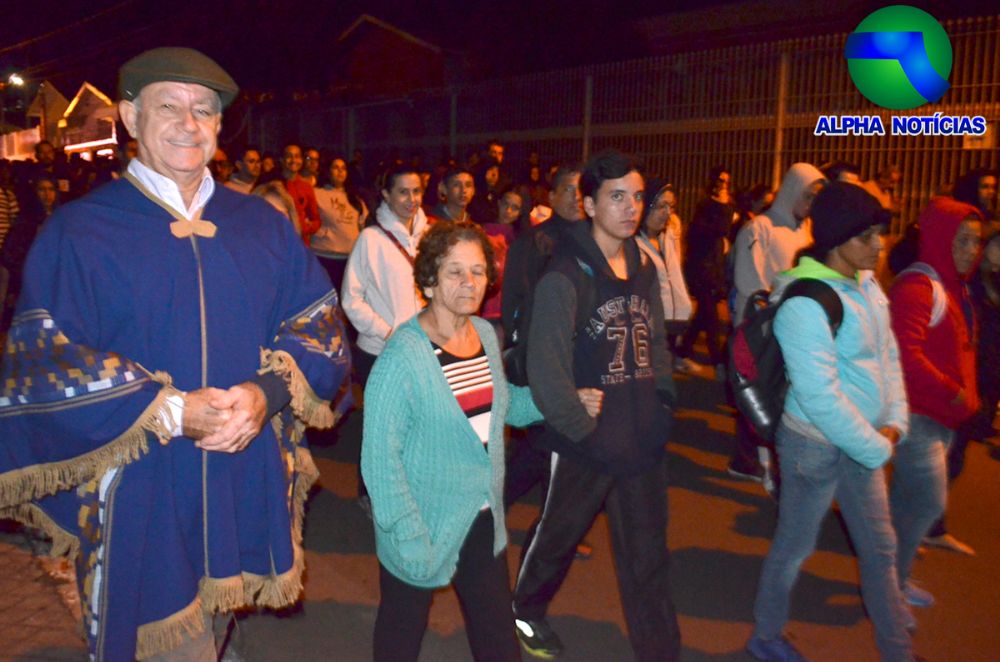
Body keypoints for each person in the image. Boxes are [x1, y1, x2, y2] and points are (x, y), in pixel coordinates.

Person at [0, 47, 351, 660]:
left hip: (242, 463)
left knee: (220, 627)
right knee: (166, 642)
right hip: (140, 479)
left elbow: (320, 327)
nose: (189, 123)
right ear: (130, 118)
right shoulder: (78, 231)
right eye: (169, 106)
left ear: (219, 125)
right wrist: (168, 409)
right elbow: (43, 361)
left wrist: (264, 394)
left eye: (204, 110)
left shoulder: (261, 224)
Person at [363, 221, 573, 662]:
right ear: (429, 280)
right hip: (419, 522)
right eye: (455, 271)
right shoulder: (402, 358)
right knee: (400, 639)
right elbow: (380, 464)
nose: (470, 282)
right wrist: (409, 535)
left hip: (480, 515)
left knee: (497, 638)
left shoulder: (483, 335)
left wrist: (562, 402)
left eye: (478, 271)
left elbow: (504, 405)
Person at [512, 150, 680, 661]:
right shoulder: (565, 274)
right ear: (588, 204)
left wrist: (662, 402)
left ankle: (660, 652)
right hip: (584, 441)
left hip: (641, 438)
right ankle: (524, 610)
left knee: (648, 559)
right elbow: (545, 365)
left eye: (637, 197)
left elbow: (656, 340)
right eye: (617, 197)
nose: (631, 208)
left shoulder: (644, 266)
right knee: (557, 538)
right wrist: (579, 426)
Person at [747, 182, 913, 661]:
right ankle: (765, 635)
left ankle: (897, 649)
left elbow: (887, 357)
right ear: (838, 239)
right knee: (794, 548)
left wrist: (895, 418)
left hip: (864, 441)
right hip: (812, 446)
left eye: (879, 233)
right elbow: (818, 396)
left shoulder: (867, 285)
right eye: (867, 236)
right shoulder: (804, 302)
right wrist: (876, 447)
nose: (879, 245)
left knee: (880, 548)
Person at [888, 197, 983, 612]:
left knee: (905, 503)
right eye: (961, 240)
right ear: (941, 238)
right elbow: (907, 354)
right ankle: (890, 586)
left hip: (942, 415)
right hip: (919, 414)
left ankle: (891, 578)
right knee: (927, 502)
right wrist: (954, 391)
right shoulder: (918, 287)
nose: (971, 250)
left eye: (976, 241)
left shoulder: (954, 286)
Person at [728, 162, 826, 482]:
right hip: (761, 328)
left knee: (781, 398)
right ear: (792, 191)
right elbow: (749, 280)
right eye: (807, 196)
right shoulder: (759, 228)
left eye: (815, 198)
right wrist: (772, 311)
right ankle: (751, 461)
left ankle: (771, 462)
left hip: (793, 328)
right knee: (757, 394)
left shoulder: (807, 231)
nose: (810, 204)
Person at [675, 166, 736, 376]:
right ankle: (718, 361)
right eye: (720, 180)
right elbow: (720, 230)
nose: (724, 185)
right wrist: (724, 206)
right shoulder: (707, 207)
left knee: (703, 315)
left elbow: (723, 234)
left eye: (727, 181)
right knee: (711, 318)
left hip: (713, 271)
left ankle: (682, 351)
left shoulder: (722, 207)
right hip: (701, 271)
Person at [636, 178, 692, 349]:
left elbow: (675, 277)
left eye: (671, 206)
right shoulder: (633, 245)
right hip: (649, 327)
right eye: (661, 206)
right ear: (645, 207)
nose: (668, 212)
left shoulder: (668, 238)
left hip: (674, 322)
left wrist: (682, 312)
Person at [312, 155, 369, 292]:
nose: (340, 171)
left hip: (349, 258)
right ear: (328, 171)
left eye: (343, 168)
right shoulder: (316, 193)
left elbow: (362, 226)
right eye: (335, 167)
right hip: (324, 256)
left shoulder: (354, 198)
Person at [281, 143, 321, 245]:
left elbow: (315, 219)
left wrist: (304, 228)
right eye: (289, 156)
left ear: (301, 160)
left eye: (297, 156)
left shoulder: (306, 187)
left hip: (299, 242)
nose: (293, 160)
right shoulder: (273, 184)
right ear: (282, 159)